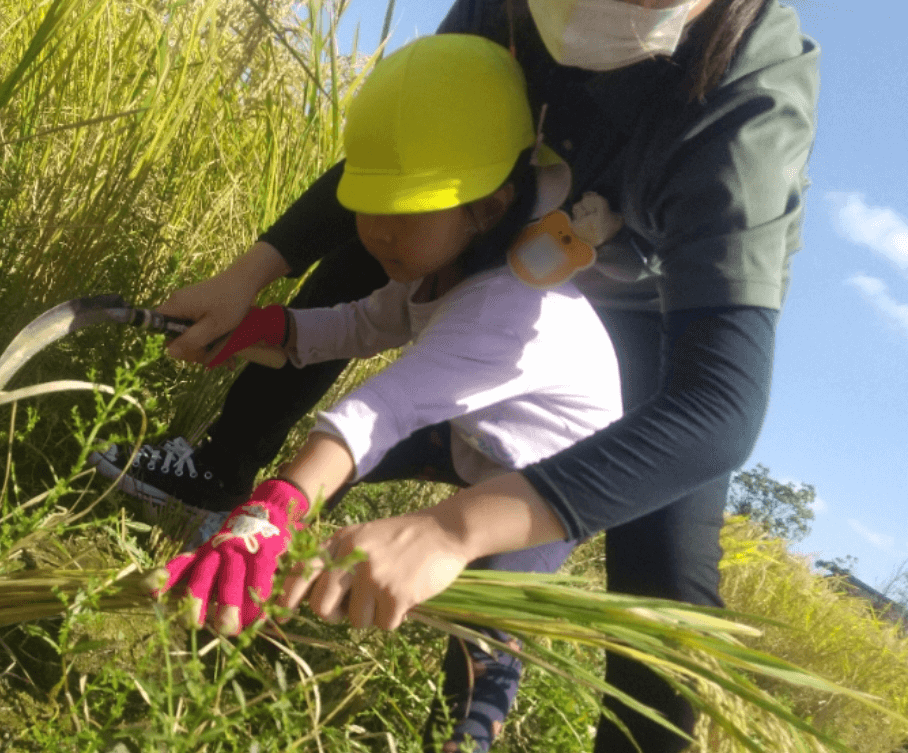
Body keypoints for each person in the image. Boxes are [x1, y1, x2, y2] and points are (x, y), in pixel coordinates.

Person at [98, 0, 820, 751]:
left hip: (649, 311)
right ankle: (224, 486)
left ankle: (476, 723)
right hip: (497, 243)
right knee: (394, 230)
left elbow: (718, 407)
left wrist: (450, 530)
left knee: (656, 594)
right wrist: (254, 290)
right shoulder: (499, 31)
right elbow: (402, 162)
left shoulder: (749, 98)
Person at [93, 33, 624, 751]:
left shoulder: (506, 310)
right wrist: (260, 325)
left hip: (549, 472)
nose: (376, 230)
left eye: (406, 209)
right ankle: (267, 591)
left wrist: (275, 504)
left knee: (485, 626)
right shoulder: (432, 270)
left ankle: (467, 733)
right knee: (328, 497)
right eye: (368, 203)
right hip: (469, 430)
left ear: (490, 207)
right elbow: (356, 325)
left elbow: (383, 405)